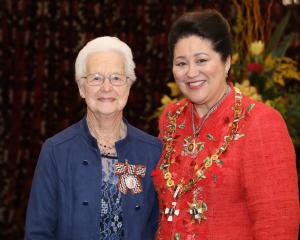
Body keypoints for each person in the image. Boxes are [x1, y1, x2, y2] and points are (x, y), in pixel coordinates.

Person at [152, 9, 299, 240]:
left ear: (227, 61)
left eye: (202, 60)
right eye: (181, 63)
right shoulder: (171, 118)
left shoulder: (260, 123)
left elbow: (276, 225)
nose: (191, 72)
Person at [25, 36, 162, 240]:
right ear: (81, 87)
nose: (106, 88)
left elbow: (159, 229)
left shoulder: (152, 151)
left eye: (116, 78)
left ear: (128, 86)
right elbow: (38, 233)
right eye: (96, 78)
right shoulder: (56, 151)